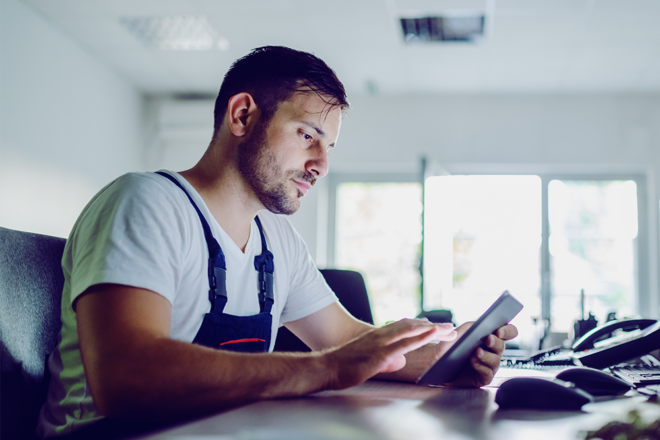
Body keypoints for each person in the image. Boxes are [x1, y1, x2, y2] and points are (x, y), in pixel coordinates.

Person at [36, 46, 517, 438]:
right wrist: (324, 369)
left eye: (328, 147)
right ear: (242, 115)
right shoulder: (144, 203)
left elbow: (350, 342)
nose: (320, 165)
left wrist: (451, 357)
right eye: (308, 135)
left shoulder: (276, 241)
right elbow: (126, 377)